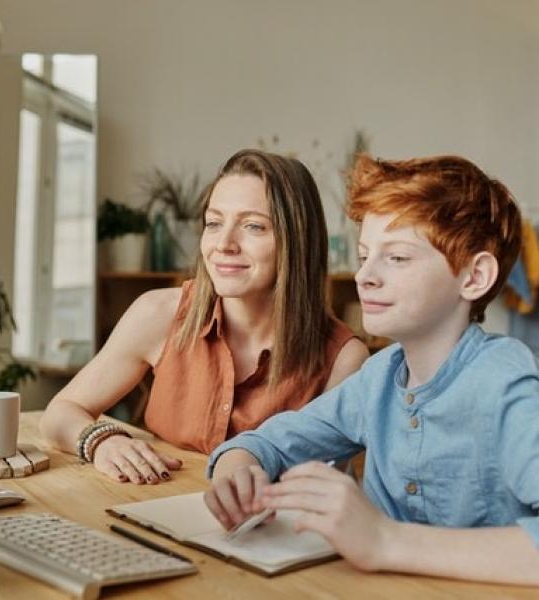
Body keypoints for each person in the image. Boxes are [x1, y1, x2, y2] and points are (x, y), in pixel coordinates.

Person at [204, 155, 539, 598]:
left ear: (474, 276)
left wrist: (384, 540)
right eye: (366, 256)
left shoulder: (508, 387)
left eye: (398, 258)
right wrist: (238, 472)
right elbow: (268, 442)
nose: (365, 277)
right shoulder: (380, 377)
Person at [40, 149, 369, 485]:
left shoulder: (343, 358)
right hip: (143, 513)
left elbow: (323, 482)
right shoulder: (158, 314)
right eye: (213, 223)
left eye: (253, 226)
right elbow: (60, 411)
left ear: (297, 240)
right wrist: (102, 442)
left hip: (264, 530)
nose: (223, 243)